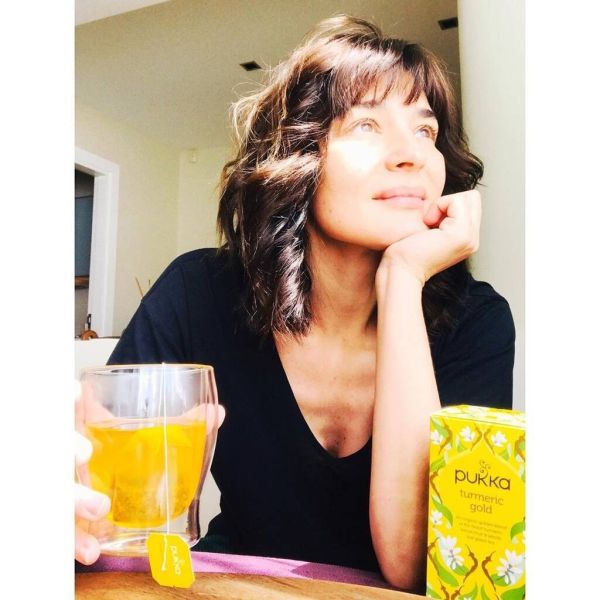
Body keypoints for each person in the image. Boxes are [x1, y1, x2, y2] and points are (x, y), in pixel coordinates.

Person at [74, 15, 515, 593]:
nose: (412, 155)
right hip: (233, 583)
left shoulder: (477, 321)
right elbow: (109, 506)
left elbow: (417, 566)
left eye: (426, 131)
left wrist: (403, 280)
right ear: (298, 155)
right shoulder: (199, 292)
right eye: (366, 124)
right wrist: (73, 505)